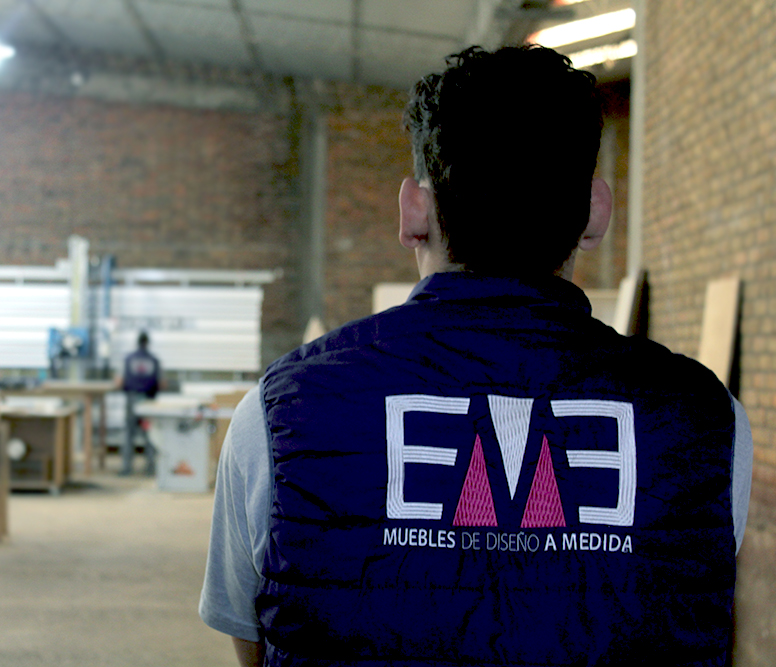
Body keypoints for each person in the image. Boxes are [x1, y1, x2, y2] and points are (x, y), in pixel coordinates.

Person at [199, 45, 753, 667]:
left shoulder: (279, 413)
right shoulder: (709, 423)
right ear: (595, 212)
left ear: (413, 211)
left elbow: (255, 641)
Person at [118, 331, 162, 476]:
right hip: (148, 401)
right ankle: (150, 467)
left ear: (137, 342)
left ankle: (126, 468)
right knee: (149, 434)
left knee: (129, 433)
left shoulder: (129, 359)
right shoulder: (154, 360)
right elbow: (160, 382)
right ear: (147, 343)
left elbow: (121, 381)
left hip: (132, 400)